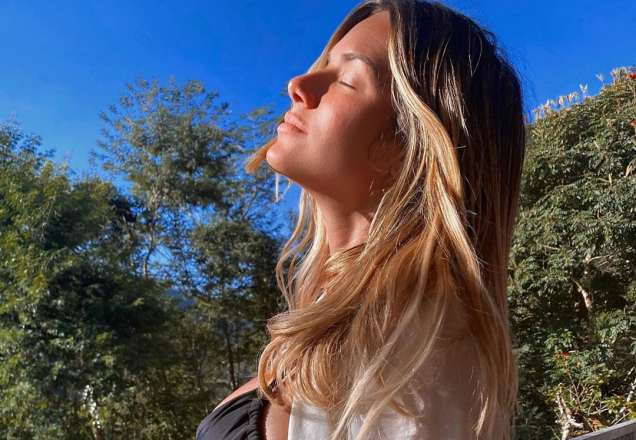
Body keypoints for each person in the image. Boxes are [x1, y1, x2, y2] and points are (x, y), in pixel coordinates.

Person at [196, 0, 526, 439]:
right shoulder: (354, 315)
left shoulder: (409, 351)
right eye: (324, 66)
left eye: (347, 80)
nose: (298, 84)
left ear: (410, 146)